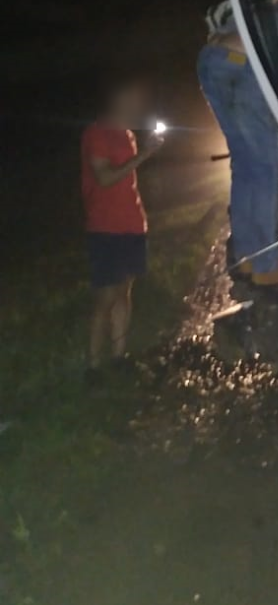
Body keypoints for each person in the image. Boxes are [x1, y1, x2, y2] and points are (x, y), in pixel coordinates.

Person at [197, 0, 278, 288]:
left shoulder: (247, 10)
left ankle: (246, 257)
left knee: (245, 167)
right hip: (241, 64)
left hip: (211, 59)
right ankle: (266, 266)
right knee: (265, 170)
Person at [81, 75, 164, 383]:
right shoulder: (97, 133)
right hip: (105, 227)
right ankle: (93, 367)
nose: (138, 105)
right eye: (132, 99)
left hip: (132, 225)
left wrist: (144, 152)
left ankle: (118, 358)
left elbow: (128, 180)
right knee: (105, 296)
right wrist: (144, 155)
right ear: (116, 100)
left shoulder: (128, 134)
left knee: (124, 292)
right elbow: (104, 178)